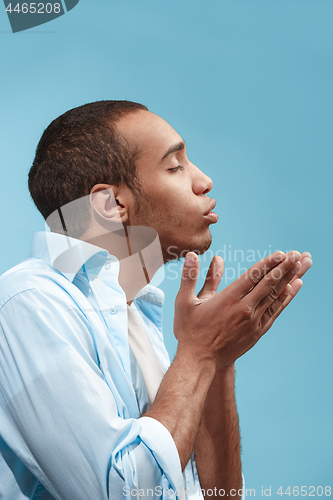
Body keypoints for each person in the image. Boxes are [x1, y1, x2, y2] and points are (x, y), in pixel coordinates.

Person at [0, 101, 312, 500]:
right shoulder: (29, 302)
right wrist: (200, 353)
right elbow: (119, 493)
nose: (204, 181)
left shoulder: (135, 320)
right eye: (175, 166)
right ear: (111, 205)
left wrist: (218, 359)